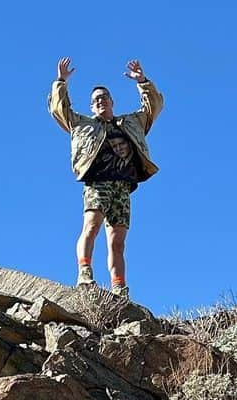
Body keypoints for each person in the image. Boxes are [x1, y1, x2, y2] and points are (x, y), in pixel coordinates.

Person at [47, 58, 164, 299]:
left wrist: (142, 81)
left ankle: (119, 288)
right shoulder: (83, 125)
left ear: (112, 102)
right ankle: (85, 273)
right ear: (91, 107)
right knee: (91, 226)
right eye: (96, 100)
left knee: (117, 242)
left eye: (104, 97)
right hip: (98, 181)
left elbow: (153, 107)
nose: (101, 101)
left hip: (122, 186)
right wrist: (61, 82)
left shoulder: (131, 123)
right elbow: (60, 110)